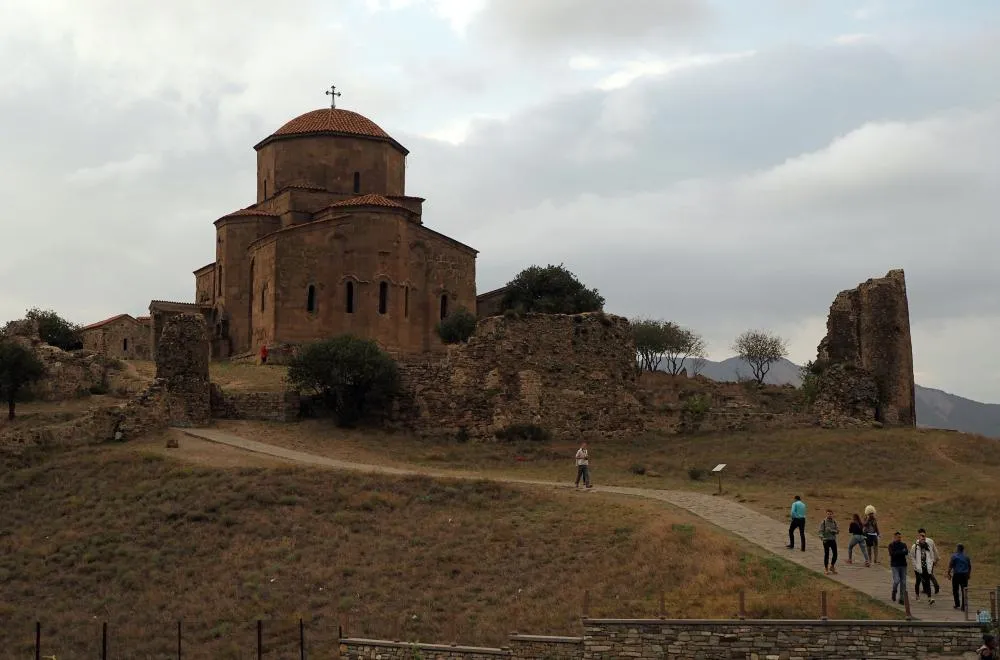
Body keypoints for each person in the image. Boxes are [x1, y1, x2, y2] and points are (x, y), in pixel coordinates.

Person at [912, 531, 937, 605]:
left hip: (926, 567)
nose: (923, 539)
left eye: (924, 537)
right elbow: (912, 557)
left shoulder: (928, 547)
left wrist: (931, 563)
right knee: (918, 581)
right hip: (918, 568)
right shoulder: (915, 547)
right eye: (921, 537)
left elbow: (931, 556)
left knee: (928, 582)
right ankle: (917, 596)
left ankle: (929, 598)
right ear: (919, 538)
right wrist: (915, 566)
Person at [947, 544, 972, 611]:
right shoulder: (967, 557)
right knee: (964, 590)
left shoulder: (954, 556)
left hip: (957, 575)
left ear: (957, 549)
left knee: (955, 590)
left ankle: (957, 603)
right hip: (964, 575)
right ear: (963, 549)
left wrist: (948, 573)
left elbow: (950, 566)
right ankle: (963, 606)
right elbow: (969, 566)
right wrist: (968, 574)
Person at [918, 528, 941, 594]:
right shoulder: (931, 540)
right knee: (929, 574)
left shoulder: (919, 541)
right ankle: (930, 588)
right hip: (931, 560)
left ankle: (931, 587)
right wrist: (937, 559)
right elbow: (935, 550)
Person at [888, 531, 909, 604]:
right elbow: (892, 554)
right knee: (896, 580)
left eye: (900, 537)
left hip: (903, 565)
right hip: (895, 565)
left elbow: (906, 552)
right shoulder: (891, 545)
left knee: (903, 582)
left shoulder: (903, 544)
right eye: (898, 537)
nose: (899, 538)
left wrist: (898, 552)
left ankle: (902, 598)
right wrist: (901, 552)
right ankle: (894, 591)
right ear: (894, 537)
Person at [818, 509, 840, 575]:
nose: (829, 515)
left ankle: (832, 566)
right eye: (828, 514)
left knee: (835, 554)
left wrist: (832, 530)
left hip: (833, 540)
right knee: (826, 554)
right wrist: (822, 537)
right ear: (826, 514)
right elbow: (820, 531)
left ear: (832, 514)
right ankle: (826, 568)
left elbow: (838, 531)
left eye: (830, 514)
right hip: (826, 540)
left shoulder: (834, 522)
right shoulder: (824, 522)